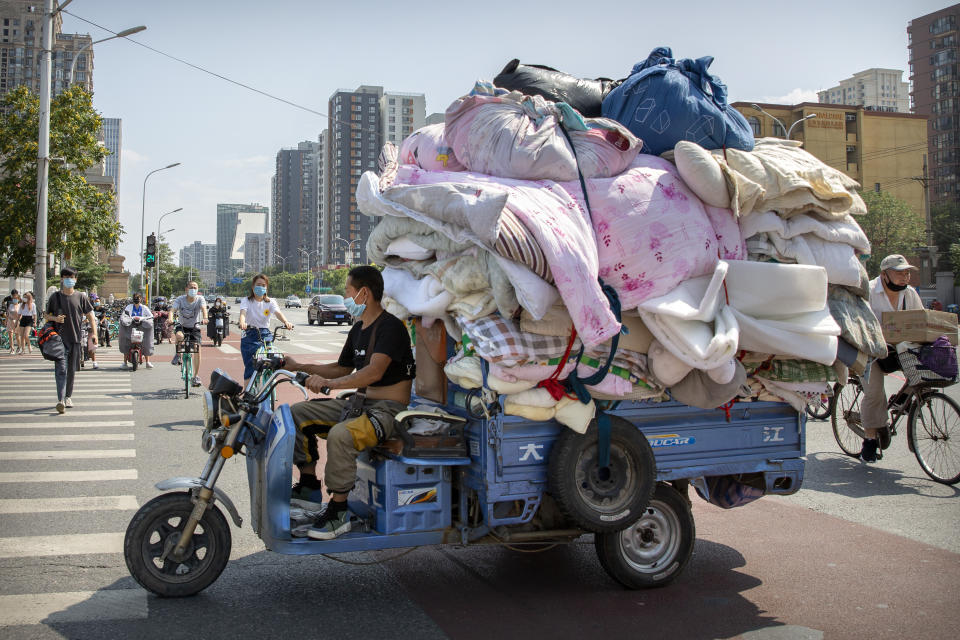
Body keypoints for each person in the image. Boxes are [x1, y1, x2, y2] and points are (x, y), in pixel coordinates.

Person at [283, 266, 415, 540]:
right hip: (360, 404)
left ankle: (339, 511)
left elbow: (373, 372)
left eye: (347, 292)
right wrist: (301, 367)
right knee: (297, 413)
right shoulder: (358, 329)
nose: (345, 297)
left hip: (388, 411)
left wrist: (331, 385)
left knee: (342, 435)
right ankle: (308, 488)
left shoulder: (392, 327)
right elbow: (342, 368)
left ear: (363, 293)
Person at [859, 254, 924, 463]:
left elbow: (921, 320)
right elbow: (861, 324)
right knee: (874, 392)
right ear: (884, 274)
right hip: (870, 349)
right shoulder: (868, 291)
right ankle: (869, 440)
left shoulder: (910, 294)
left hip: (899, 347)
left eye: (907, 273)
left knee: (923, 372)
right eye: (899, 273)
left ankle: (900, 400)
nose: (904, 277)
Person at [44, 267, 97, 414]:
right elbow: (46, 315)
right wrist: (55, 318)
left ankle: (68, 396)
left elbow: (90, 316)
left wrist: (94, 334)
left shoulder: (81, 297)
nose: (68, 279)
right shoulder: (55, 297)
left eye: (71, 277)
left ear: (75, 279)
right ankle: (60, 399)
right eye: (66, 276)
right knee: (61, 370)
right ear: (61, 279)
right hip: (58, 340)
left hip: (75, 339)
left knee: (71, 371)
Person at [237, 274, 294, 385]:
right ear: (253, 287)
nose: (261, 287)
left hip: (265, 333)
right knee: (251, 366)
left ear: (266, 288)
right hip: (249, 333)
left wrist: (286, 322)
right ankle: (247, 394)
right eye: (258, 285)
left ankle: (271, 380)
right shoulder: (246, 301)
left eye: (263, 285)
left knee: (272, 358)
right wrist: (242, 322)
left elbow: (278, 313)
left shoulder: (270, 302)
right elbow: (243, 313)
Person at [170, 282, 207, 387]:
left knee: (197, 348)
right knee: (180, 336)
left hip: (195, 327)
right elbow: (172, 310)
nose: (193, 289)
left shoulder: (200, 299)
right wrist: (170, 318)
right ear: (186, 289)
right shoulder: (180, 299)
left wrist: (205, 318)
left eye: (195, 288)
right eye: (191, 287)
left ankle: (195, 376)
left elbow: (204, 309)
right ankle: (177, 355)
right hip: (181, 326)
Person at [120, 293, 155, 369]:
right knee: (127, 343)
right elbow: (124, 315)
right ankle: (124, 363)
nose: (137, 300)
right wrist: (131, 318)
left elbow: (150, 316)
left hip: (142, 326)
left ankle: (148, 362)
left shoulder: (144, 308)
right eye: (135, 298)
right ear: (133, 299)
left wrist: (141, 318)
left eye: (138, 298)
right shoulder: (129, 307)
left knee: (146, 343)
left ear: (141, 299)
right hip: (130, 326)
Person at [4, 289, 20, 355]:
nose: (14, 299)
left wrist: (18, 321)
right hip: (10, 321)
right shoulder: (10, 305)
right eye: (13, 297)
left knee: (17, 336)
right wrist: (6, 321)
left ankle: (19, 347)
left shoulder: (20, 306)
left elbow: (20, 315)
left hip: (16, 322)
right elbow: (8, 314)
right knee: (10, 335)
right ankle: (12, 349)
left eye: (15, 298)